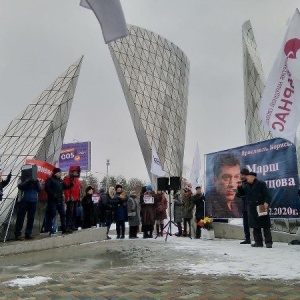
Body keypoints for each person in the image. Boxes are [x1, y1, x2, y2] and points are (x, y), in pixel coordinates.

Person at [237, 172, 273, 248]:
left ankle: (268, 242)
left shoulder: (261, 184)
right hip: (251, 207)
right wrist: (239, 187)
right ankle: (258, 242)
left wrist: (266, 202)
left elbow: (267, 194)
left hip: (261, 205)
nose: (247, 178)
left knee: (265, 225)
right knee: (255, 225)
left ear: (253, 177)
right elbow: (240, 194)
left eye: (248, 176)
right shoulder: (246, 186)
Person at [206, 153, 242, 218]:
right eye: (226, 178)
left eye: (236, 177)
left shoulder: (241, 202)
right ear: (215, 180)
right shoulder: (209, 206)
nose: (232, 184)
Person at [45, 168, 73, 235]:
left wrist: (71, 183)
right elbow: (47, 188)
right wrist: (53, 195)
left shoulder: (60, 181)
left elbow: (66, 187)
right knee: (52, 214)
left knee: (63, 214)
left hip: (60, 200)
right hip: (52, 200)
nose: (60, 174)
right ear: (56, 173)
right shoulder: (50, 180)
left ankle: (64, 229)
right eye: (59, 172)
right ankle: (50, 230)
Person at [14, 175, 42, 240]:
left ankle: (28, 233)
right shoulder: (22, 178)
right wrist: (27, 181)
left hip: (33, 201)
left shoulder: (36, 179)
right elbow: (20, 186)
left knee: (31, 218)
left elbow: (40, 189)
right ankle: (17, 234)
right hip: (24, 200)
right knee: (21, 218)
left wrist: (36, 183)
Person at [63, 166, 82, 231]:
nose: (76, 173)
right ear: (72, 172)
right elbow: (66, 189)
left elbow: (79, 189)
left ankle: (72, 225)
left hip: (76, 198)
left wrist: (79, 197)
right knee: (69, 213)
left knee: (74, 213)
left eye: (77, 172)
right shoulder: (67, 178)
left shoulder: (77, 180)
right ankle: (68, 226)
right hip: (70, 198)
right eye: (75, 171)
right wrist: (68, 196)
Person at [237, 168, 251, 244]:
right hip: (244, 205)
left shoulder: (249, 182)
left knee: (253, 222)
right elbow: (239, 195)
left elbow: (248, 191)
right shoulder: (241, 183)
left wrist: (242, 186)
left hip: (250, 205)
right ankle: (247, 238)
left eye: (242, 174)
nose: (241, 176)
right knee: (245, 223)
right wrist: (239, 187)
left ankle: (258, 239)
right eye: (241, 174)